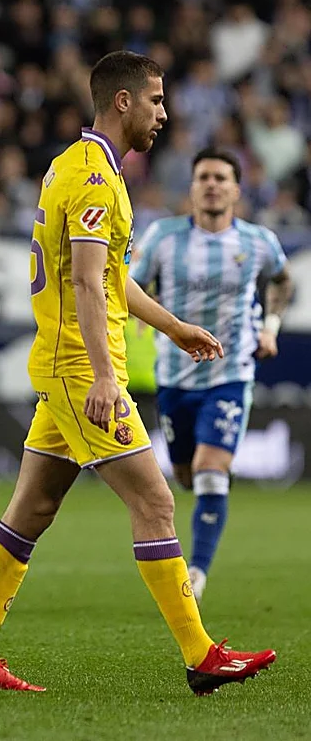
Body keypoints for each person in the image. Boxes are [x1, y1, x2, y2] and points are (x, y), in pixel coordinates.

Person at [0, 51, 277, 696]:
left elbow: (109, 274)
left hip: (64, 366)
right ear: (123, 102)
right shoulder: (98, 179)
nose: (164, 114)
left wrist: (172, 326)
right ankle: (202, 655)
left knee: (32, 510)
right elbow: (88, 282)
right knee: (155, 502)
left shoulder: (74, 164)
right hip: (80, 370)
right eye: (156, 100)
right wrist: (103, 377)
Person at [129, 148, 292, 602]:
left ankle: (196, 572)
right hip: (174, 376)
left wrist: (270, 327)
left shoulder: (258, 242)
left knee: (209, 469)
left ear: (237, 189)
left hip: (231, 373)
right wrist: (147, 312)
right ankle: (212, 485)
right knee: (185, 474)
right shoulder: (164, 237)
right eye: (204, 177)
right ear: (192, 188)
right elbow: (130, 283)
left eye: (221, 178)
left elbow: (282, 280)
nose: (212, 185)